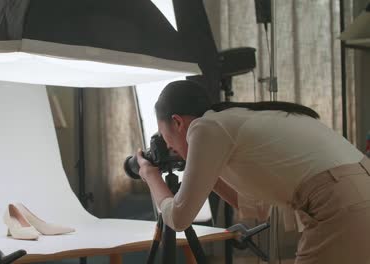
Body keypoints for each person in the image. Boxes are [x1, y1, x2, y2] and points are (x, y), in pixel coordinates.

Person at [136, 80, 370, 264]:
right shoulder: (233, 120)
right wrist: (204, 170)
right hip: (357, 193)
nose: (171, 148)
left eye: (167, 139)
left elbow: (178, 218)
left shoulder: (205, 127)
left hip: (339, 205)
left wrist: (150, 174)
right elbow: (257, 207)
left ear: (177, 122)